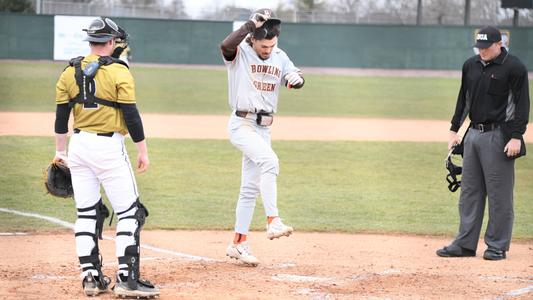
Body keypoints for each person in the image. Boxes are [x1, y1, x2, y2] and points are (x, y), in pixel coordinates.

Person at [53, 17, 159, 297]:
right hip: (108, 149)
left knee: (86, 212)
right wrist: (142, 150)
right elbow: (131, 116)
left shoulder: (69, 71)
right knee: (130, 212)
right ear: (111, 43)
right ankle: (127, 278)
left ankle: (90, 277)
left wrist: (59, 152)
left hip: (78, 146)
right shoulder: (119, 71)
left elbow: (61, 116)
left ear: (91, 42)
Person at [219, 8, 305, 266]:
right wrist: (249, 24)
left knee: (249, 189)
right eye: (264, 45)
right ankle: (273, 221)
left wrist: (296, 79)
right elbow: (225, 44)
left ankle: (238, 244)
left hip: (264, 128)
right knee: (270, 163)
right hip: (242, 124)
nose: (268, 49)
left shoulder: (280, 56)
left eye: (272, 44)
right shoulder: (240, 53)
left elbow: (295, 76)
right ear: (253, 40)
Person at [437, 26, 529, 261]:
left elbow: (522, 106)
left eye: (486, 48)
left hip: (500, 136)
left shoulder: (514, 67)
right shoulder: (471, 65)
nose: (482, 52)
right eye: (479, 47)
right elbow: (464, 99)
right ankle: (465, 244)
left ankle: (497, 245)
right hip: (473, 135)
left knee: (499, 195)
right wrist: (454, 129)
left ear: (500, 44)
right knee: (469, 192)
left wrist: (516, 136)